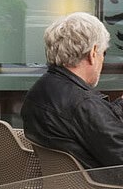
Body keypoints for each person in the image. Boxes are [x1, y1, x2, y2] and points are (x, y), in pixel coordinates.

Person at [22, 12, 123, 175]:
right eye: (103, 53)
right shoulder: (84, 104)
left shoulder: (41, 88)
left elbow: (93, 126)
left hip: (67, 184)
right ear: (93, 53)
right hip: (101, 188)